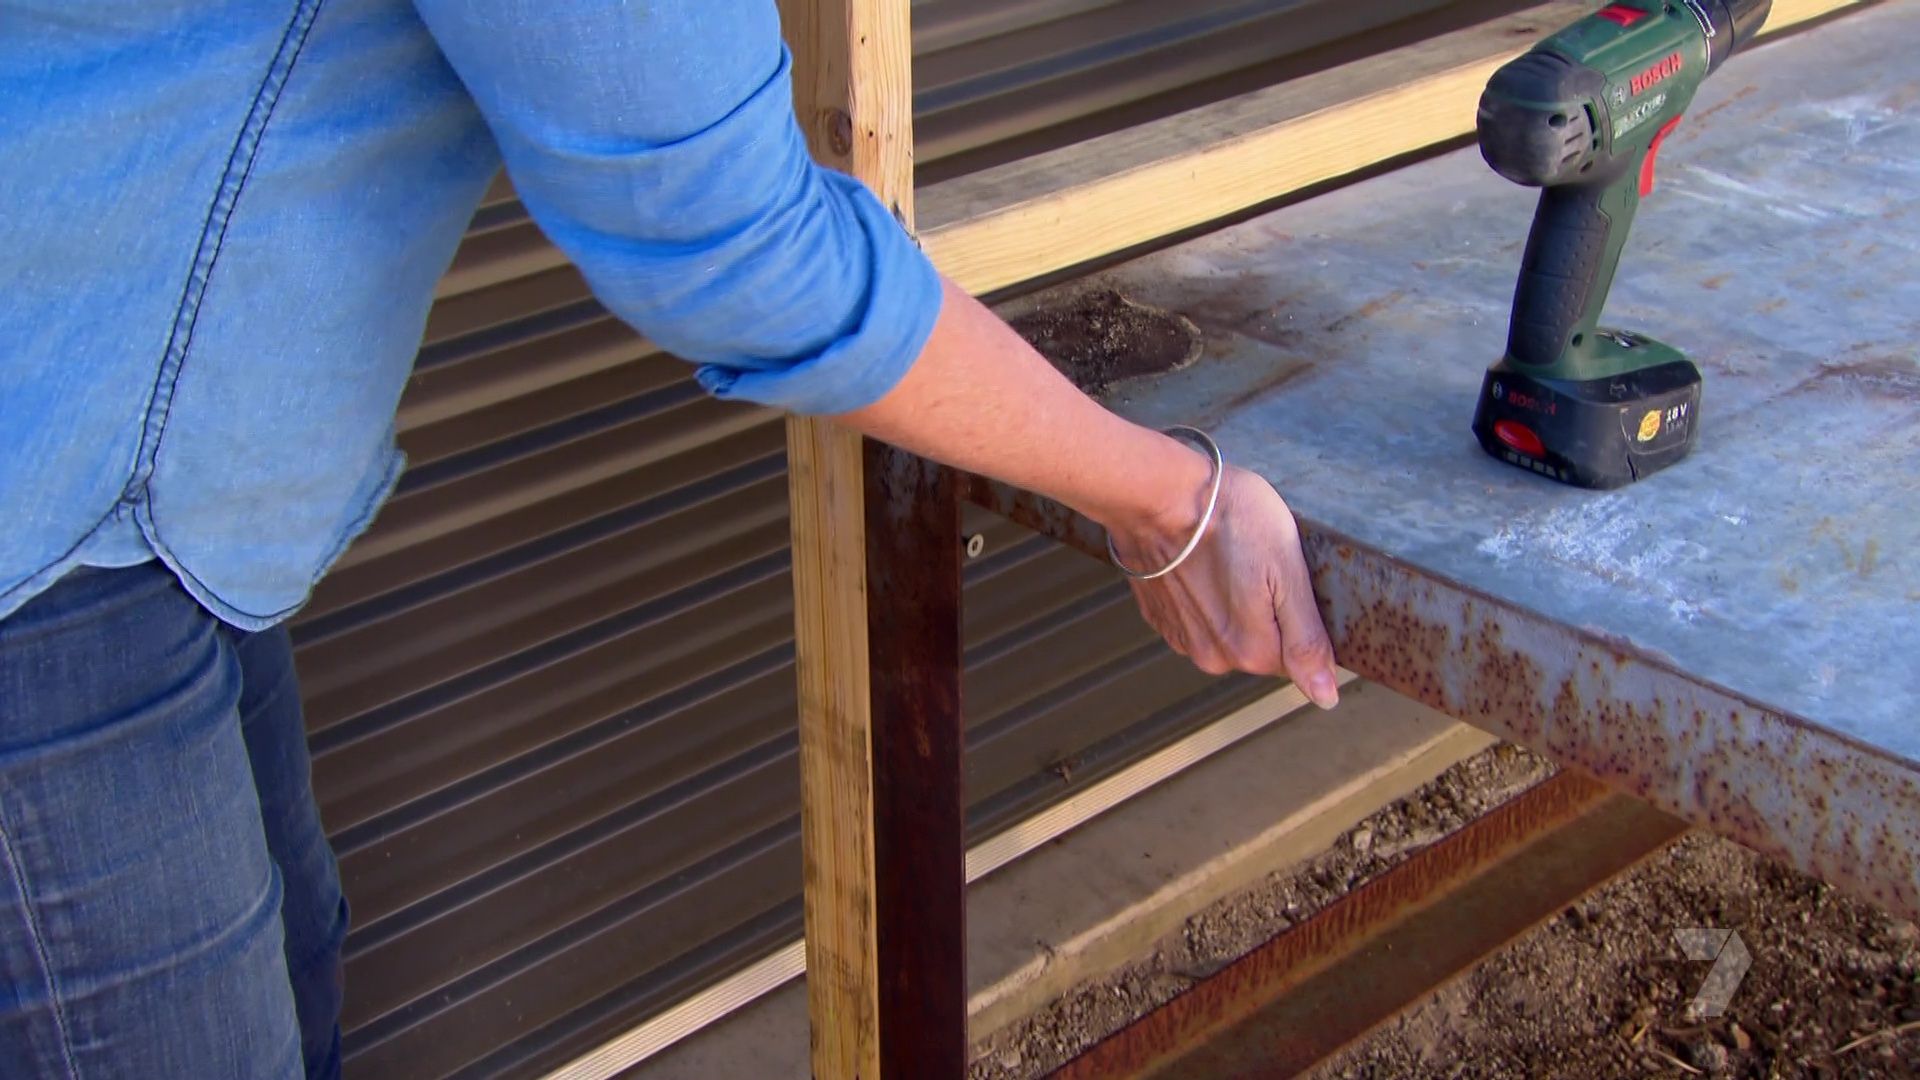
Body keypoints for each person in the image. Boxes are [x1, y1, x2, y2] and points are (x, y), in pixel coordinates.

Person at [0, 1, 1341, 1076]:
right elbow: (739, 242)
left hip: (148, 520)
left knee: (290, 978)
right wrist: (1167, 497)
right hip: (43, 527)